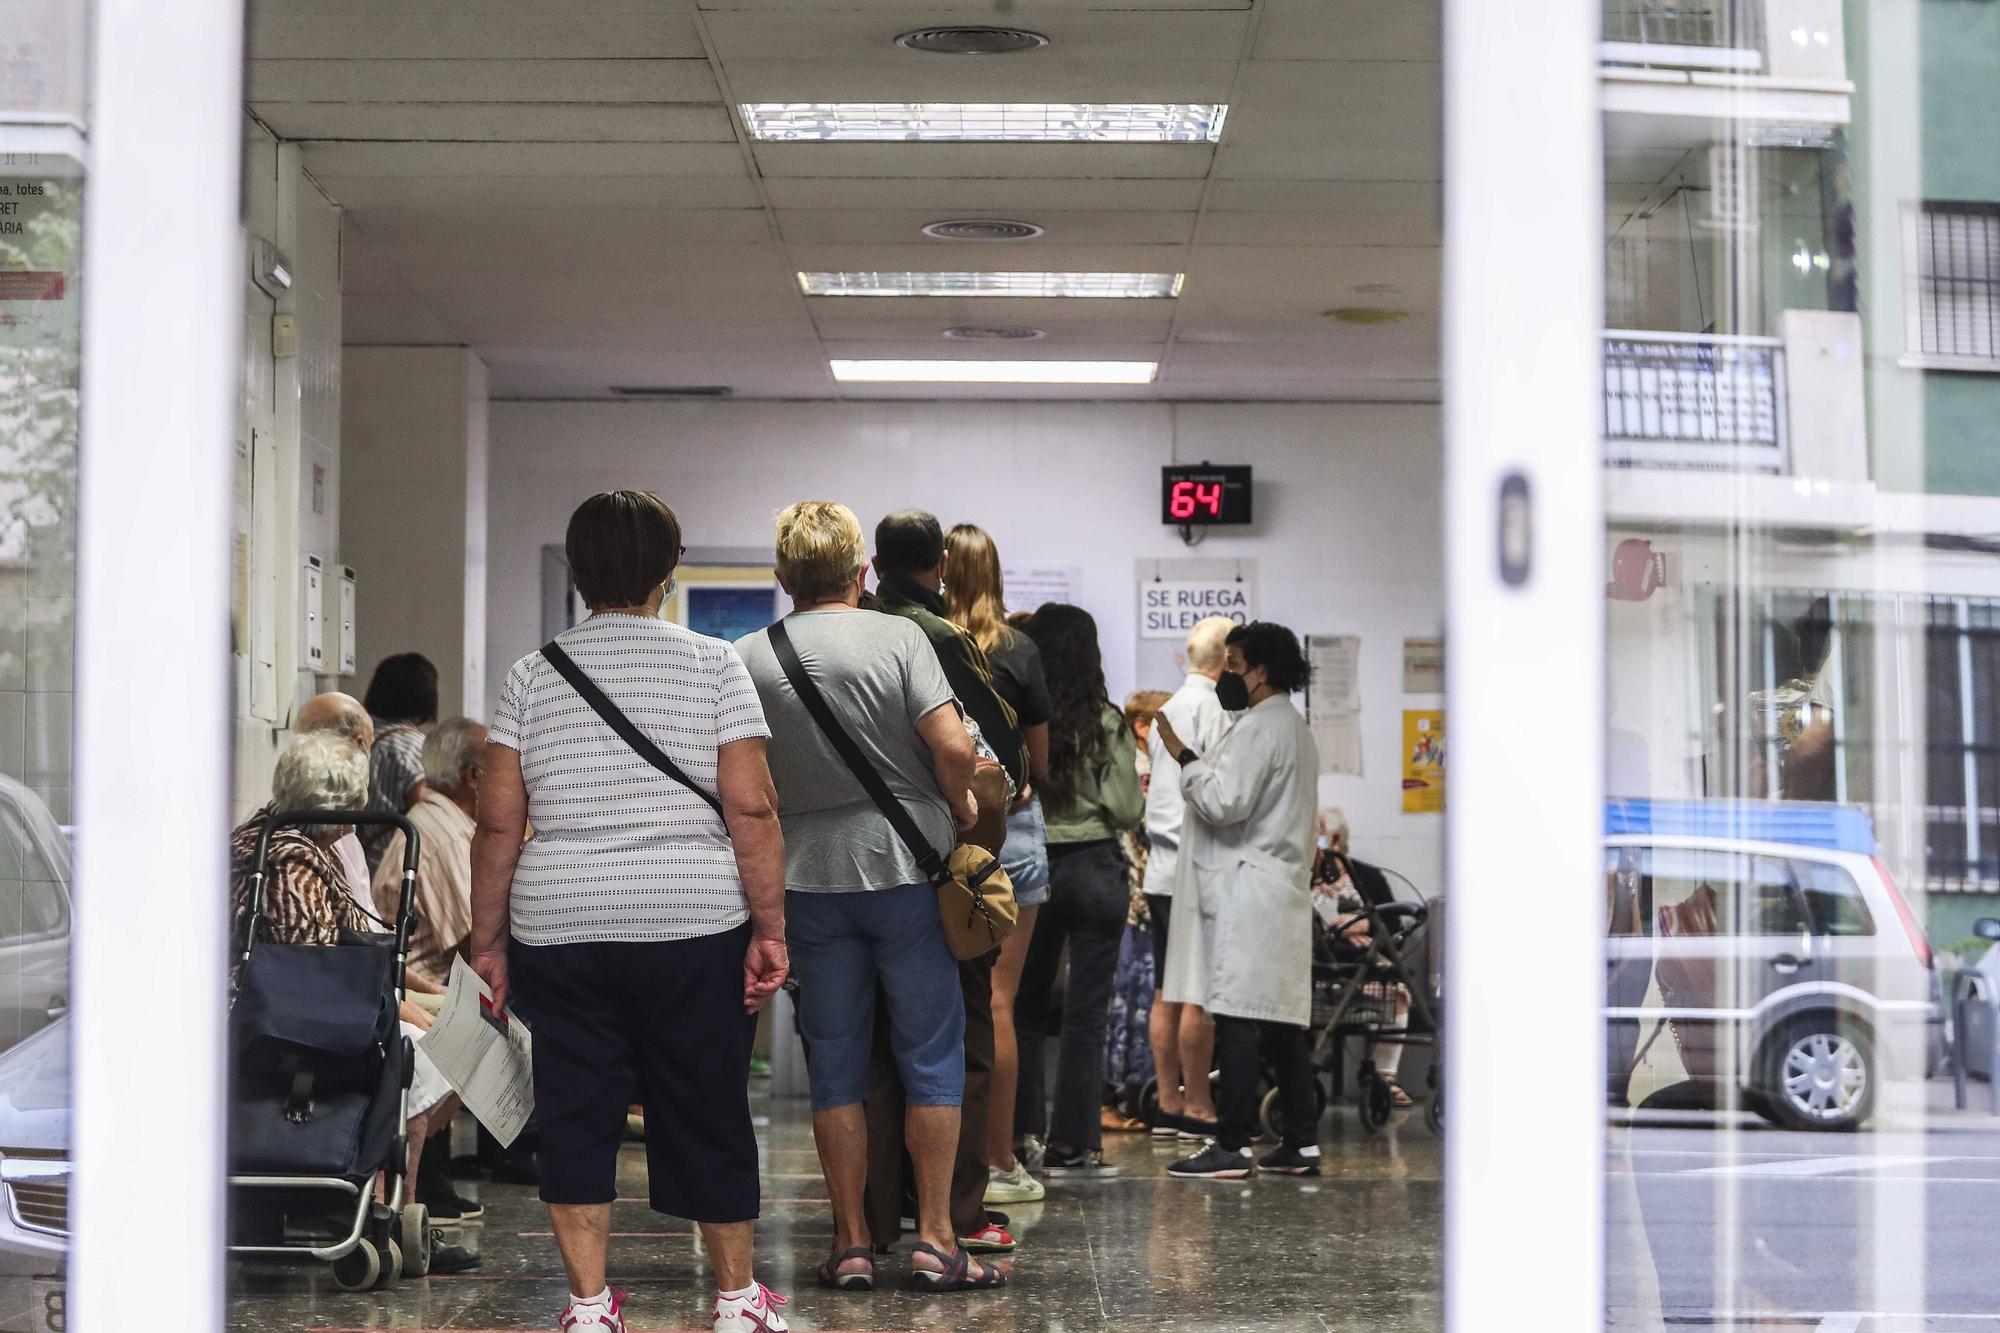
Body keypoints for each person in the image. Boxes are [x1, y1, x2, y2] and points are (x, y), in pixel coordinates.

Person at [469, 491, 792, 1333]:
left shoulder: (530, 676)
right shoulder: (716, 665)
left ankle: (586, 1306)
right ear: (668, 566)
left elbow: (500, 819)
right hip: (693, 919)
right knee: (708, 1100)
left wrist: (488, 941)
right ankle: (735, 1300)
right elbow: (752, 809)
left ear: (576, 572)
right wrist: (770, 928)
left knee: (576, 1107)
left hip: (560, 923)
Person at [734, 500, 1002, 1294]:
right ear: (861, 572)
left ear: (783, 577)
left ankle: (851, 1242)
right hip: (908, 870)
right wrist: (959, 806)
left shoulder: (749, 654)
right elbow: (955, 746)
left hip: (808, 880)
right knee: (931, 1056)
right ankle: (938, 1240)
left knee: (839, 1066)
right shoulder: (899, 636)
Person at [228, 733, 478, 1273]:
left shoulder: (252, 838)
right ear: (343, 808)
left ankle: (388, 1200)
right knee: (421, 1053)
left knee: (425, 1037)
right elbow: (311, 973)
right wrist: (399, 1006)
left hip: (251, 1014)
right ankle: (392, 1213)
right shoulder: (295, 863)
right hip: (290, 1025)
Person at [866, 511, 1024, 1251]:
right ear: (939, 565)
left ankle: (872, 1215)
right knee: (959, 1038)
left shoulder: (853, 631)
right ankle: (956, 1212)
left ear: (872, 563)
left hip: (850, 868)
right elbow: (996, 748)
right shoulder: (936, 636)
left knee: (871, 1045)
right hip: (939, 860)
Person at [1156, 621, 1323, 1180]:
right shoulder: (1293, 727)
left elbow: (1225, 801)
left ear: (1261, 671)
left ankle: (1232, 1143)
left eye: (1234, 664)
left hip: (1252, 888)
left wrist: (1184, 757)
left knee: (1235, 1015)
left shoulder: (1260, 728)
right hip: (1280, 886)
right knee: (1279, 1020)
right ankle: (1301, 1142)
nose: (1226, 674)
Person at [939, 522, 1052, 1207]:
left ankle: (939, 1161)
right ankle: (1001, 1160)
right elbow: (1039, 766)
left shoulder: (922, 643)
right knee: (1000, 999)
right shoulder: (1018, 649)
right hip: (1013, 825)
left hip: (943, 830)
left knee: (940, 1001)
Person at [1013, 603, 1144, 1177]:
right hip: (1095, 870)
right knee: (1087, 1014)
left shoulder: (1019, 717)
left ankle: (1018, 1138)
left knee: (1022, 1006)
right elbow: (1125, 807)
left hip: (1034, 866)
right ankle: (1075, 1144)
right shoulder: (1107, 721)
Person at [1141, 616, 1235, 1139]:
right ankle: (1199, 1107)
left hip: (1160, 872)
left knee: (1164, 991)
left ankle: (1167, 1098)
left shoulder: (1169, 708)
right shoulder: (1215, 708)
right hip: (1194, 870)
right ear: (1226, 662)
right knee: (1197, 993)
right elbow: (1218, 794)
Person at [371, 717, 485, 990]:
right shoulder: (446, 836)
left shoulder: (437, 818)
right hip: (420, 986)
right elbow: (477, 947)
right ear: (473, 776)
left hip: (409, 977)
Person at [360, 652, 440, 874]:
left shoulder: (358, 737)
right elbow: (426, 814)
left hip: (359, 866)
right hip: (396, 870)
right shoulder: (414, 747)